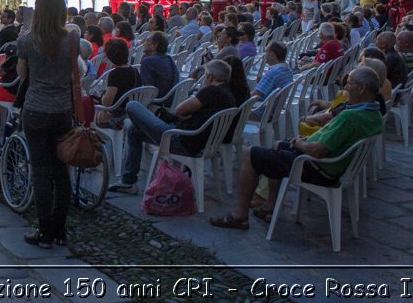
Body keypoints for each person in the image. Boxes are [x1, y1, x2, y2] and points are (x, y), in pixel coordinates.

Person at [209, 66, 384, 230]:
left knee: (250, 154)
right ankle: (269, 206)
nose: (345, 87)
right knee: (277, 145)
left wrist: (300, 143)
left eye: (349, 83)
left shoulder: (351, 117)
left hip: (314, 166)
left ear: (361, 88)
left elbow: (318, 150)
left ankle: (239, 215)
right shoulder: (374, 115)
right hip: (327, 164)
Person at [16, 0, 83, 248]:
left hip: (35, 108)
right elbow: (72, 72)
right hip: (62, 110)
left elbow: (22, 74)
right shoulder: (71, 39)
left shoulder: (27, 40)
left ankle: (44, 231)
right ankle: (59, 229)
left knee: (41, 171)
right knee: (60, 171)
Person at [112, 59, 236, 194]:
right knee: (134, 131)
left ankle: (115, 121)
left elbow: (179, 110)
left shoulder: (211, 92)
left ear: (209, 77)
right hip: (201, 144)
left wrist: (203, 88)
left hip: (180, 140)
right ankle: (128, 182)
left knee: (133, 106)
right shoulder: (229, 96)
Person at [138, 32, 180, 104]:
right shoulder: (169, 58)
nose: (144, 43)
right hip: (171, 101)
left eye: (147, 40)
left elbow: (147, 90)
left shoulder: (148, 61)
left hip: (157, 103)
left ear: (154, 46)